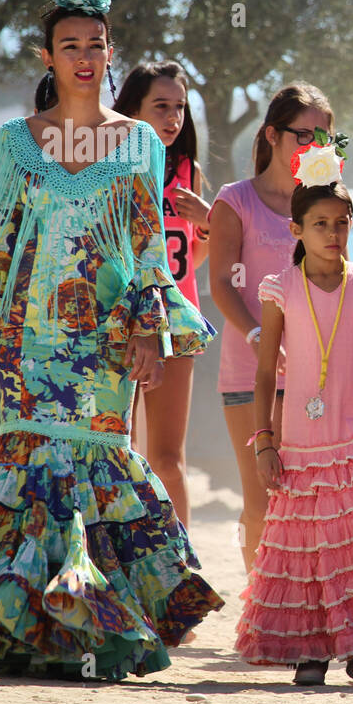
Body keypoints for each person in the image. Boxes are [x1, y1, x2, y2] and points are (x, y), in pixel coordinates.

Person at [0, 0, 221, 678]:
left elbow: (146, 247)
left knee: (98, 461)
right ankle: (12, 617)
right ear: (48, 57)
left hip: (105, 341)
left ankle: (93, 619)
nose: (84, 57)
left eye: (95, 44)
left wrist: (148, 329)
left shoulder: (141, 142)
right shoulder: (18, 141)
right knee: (27, 464)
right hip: (27, 339)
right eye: (69, 45)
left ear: (110, 52)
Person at [235, 155, 353, 684]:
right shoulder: (279, 288)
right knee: (308, 547)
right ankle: (311, 652)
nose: (333, 233)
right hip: (299, 446)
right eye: (320, 224)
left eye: (341, 222)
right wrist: (264, 442)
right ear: (296, 230)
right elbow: (265, 373)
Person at [209, 83, 329, 571]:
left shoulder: (324, 204)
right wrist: (259, 337)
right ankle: (260, 606)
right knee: (262, 499)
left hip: (314, 376)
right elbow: (221, 284)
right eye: (303, 135)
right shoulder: (235, 200)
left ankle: (301, 605)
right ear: (272, 135)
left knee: (311, 501)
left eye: (322, 137)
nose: (313, 146)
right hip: (248, 374)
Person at [114, 61, 209, 530]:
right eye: (161, 107)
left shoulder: (188, 170)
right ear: (132, 110)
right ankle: (121, 555)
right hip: (122, 322)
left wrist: (207, 221)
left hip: (177, 321)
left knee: (168, 457)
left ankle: (181, 560)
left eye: (180, 107)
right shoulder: (112, 166)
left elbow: (195, 257)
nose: (174, 118)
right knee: (120, 447)